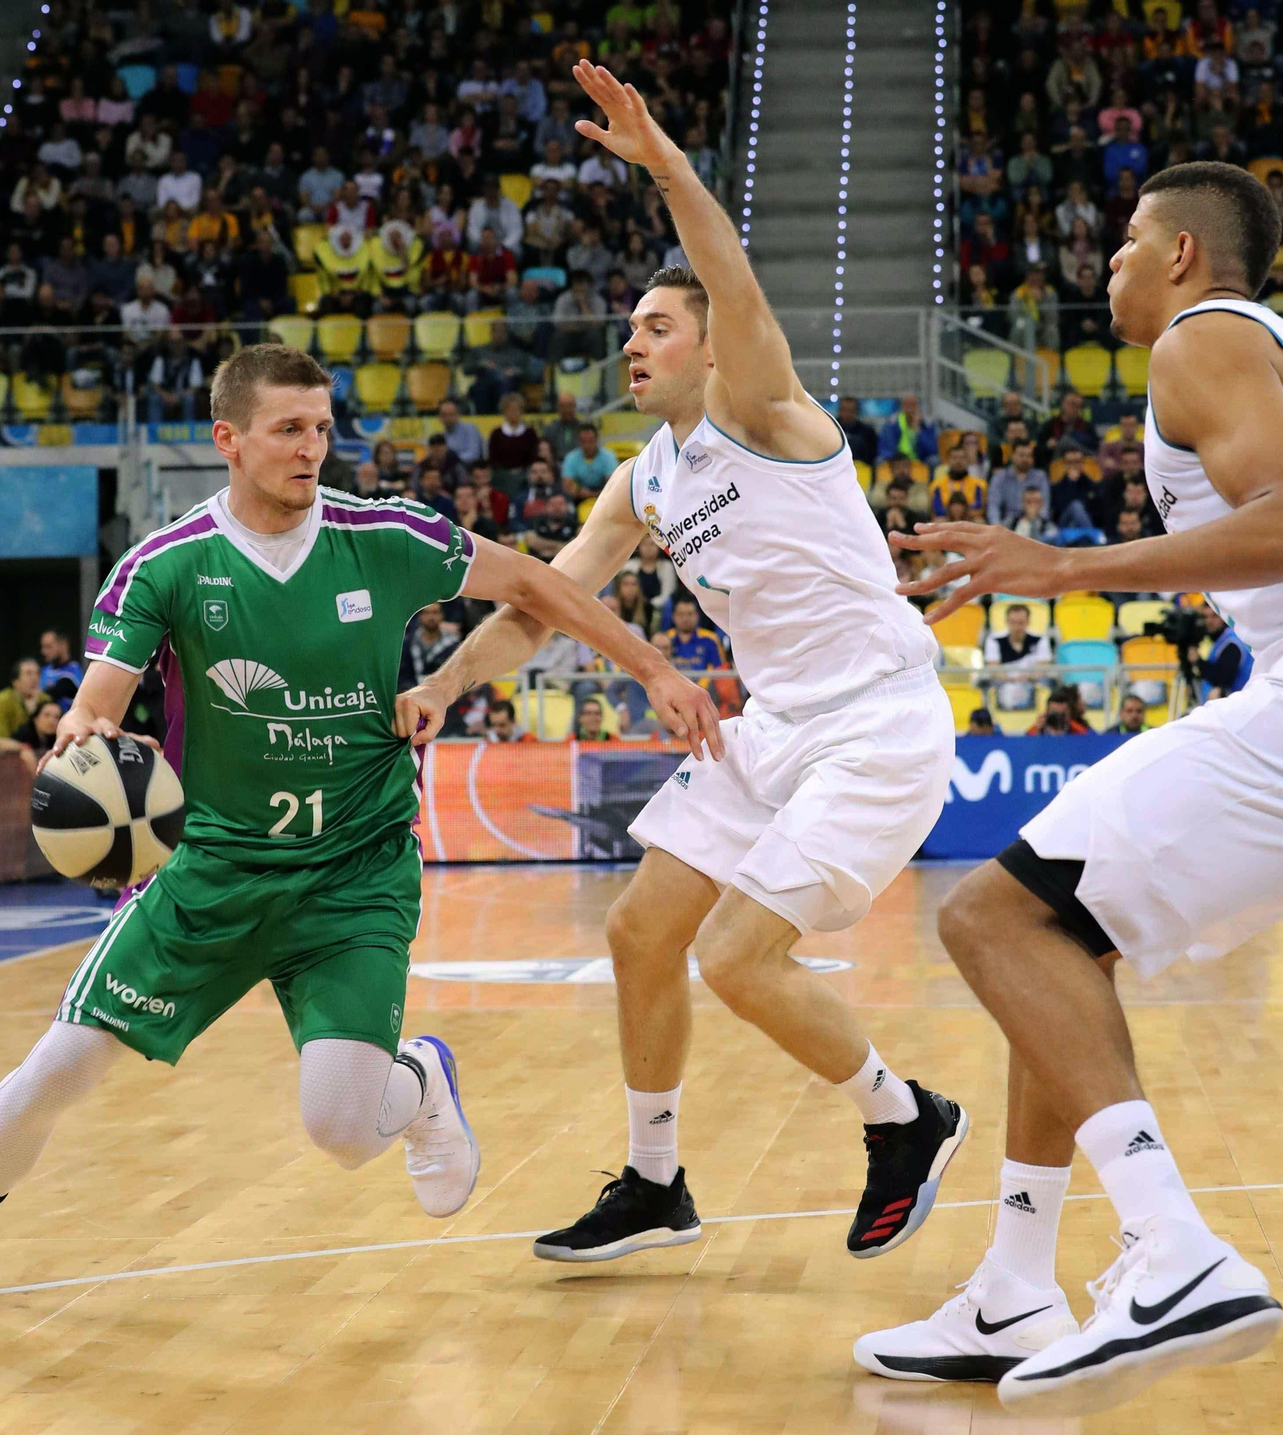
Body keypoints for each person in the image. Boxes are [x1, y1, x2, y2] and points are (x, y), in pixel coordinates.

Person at [0, 343, 720, 1315]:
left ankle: (418, 1080)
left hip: (354, 872)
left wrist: (654, 669)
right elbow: (103, 693)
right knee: (61, 1063)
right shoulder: (167, 562)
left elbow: (537, 584)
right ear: (229, 440)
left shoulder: (386, 533)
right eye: (288, 429)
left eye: (321, 427)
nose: (312, 447)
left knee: (342, 1131)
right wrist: (88, 729)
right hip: (213, 866)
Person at [868, 162, 1283, 1414]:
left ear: (1186, 254)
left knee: (990, 918)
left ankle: (1173, 1250)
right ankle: (1016, 1284)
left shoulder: (1200, 340)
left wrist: (1060, 565)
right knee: (1058, 941)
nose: (1111, 262)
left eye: (1129, 238)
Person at [401, 63, 966, 1268]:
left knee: (736, 957)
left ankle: (903, 1116)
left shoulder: (768, 419)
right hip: (770, 730)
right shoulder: (642, 480)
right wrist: (445, 685)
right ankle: (655, 1184)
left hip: (876, 723)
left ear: (716, 351)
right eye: (629, 331)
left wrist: (666, 166)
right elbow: (545, 600)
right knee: (641, 931)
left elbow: (734, 281)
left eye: (658, 326)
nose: (634, 344)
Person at [1189, 604, 1254, 699]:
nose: (1209, 621)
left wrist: (1198, 662)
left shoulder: (1232, 642)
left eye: (1214, 616)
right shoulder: (1220, 640)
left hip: (1237, 704)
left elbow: (1222, 679)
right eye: (1205, 617)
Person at [0, 660, 45, 740]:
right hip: (9, 750)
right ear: (15, 681)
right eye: (29, 674)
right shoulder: (2, 701)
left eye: (37, 674)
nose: (34, 678)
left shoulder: (45, 700)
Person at [38, 629, 85, 700]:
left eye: (48, 647)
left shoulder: (73, 670)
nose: (43, 652)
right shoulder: (43, 670)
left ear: (63, 645)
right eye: (43, 647)